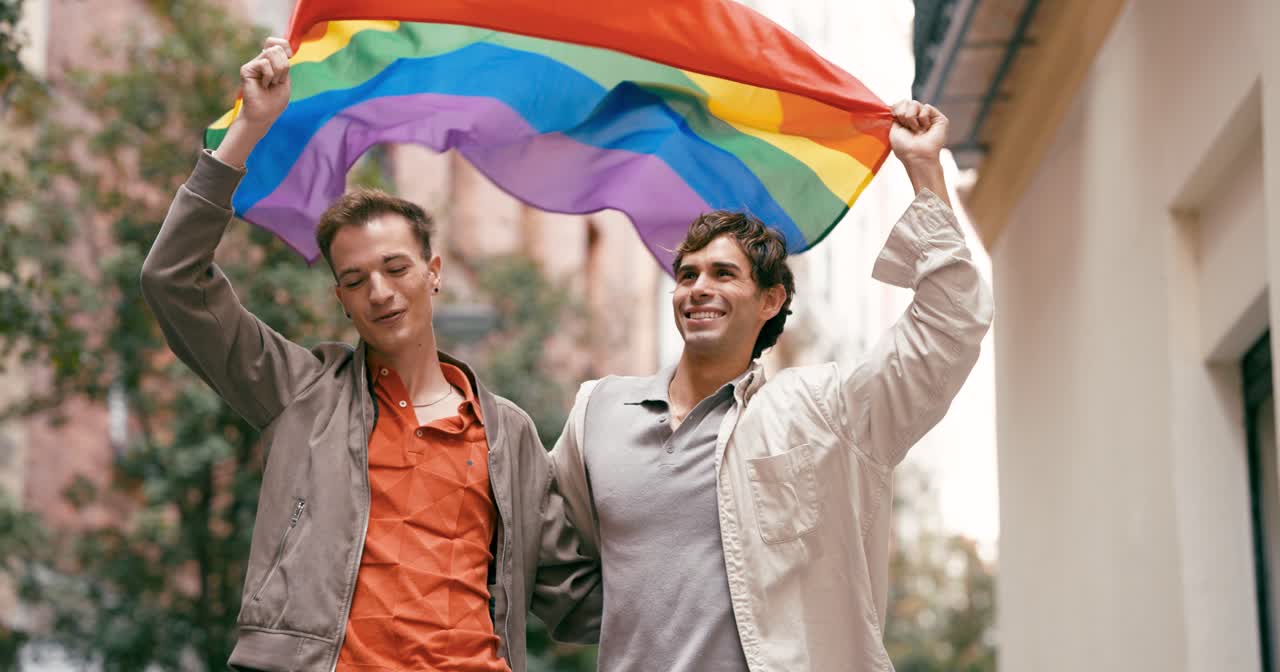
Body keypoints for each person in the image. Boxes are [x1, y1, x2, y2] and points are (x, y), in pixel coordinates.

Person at [141, 38, 599, 672]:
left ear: (433, 273)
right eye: (356, 280)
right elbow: (172, 281)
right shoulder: (303, 394)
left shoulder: (509, 433)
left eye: (396, 268)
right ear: (342, 300)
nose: (379, 292)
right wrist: (249, 129)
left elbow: (577, 598)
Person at [549, 100, 994, 671]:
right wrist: (642, 612)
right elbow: (547, 558)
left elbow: (949, 326)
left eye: (724, 274)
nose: (698, 288)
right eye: (687, 275)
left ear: (770, 300)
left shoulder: (827, 412)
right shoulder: (600, 410)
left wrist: (924, 168)